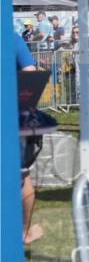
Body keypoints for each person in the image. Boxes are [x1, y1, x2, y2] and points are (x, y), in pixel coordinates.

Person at [15, 32, 43, 245]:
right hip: (12, 117)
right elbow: (30, 73)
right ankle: (24, 231)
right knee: (22, 175)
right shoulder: (11, 37)